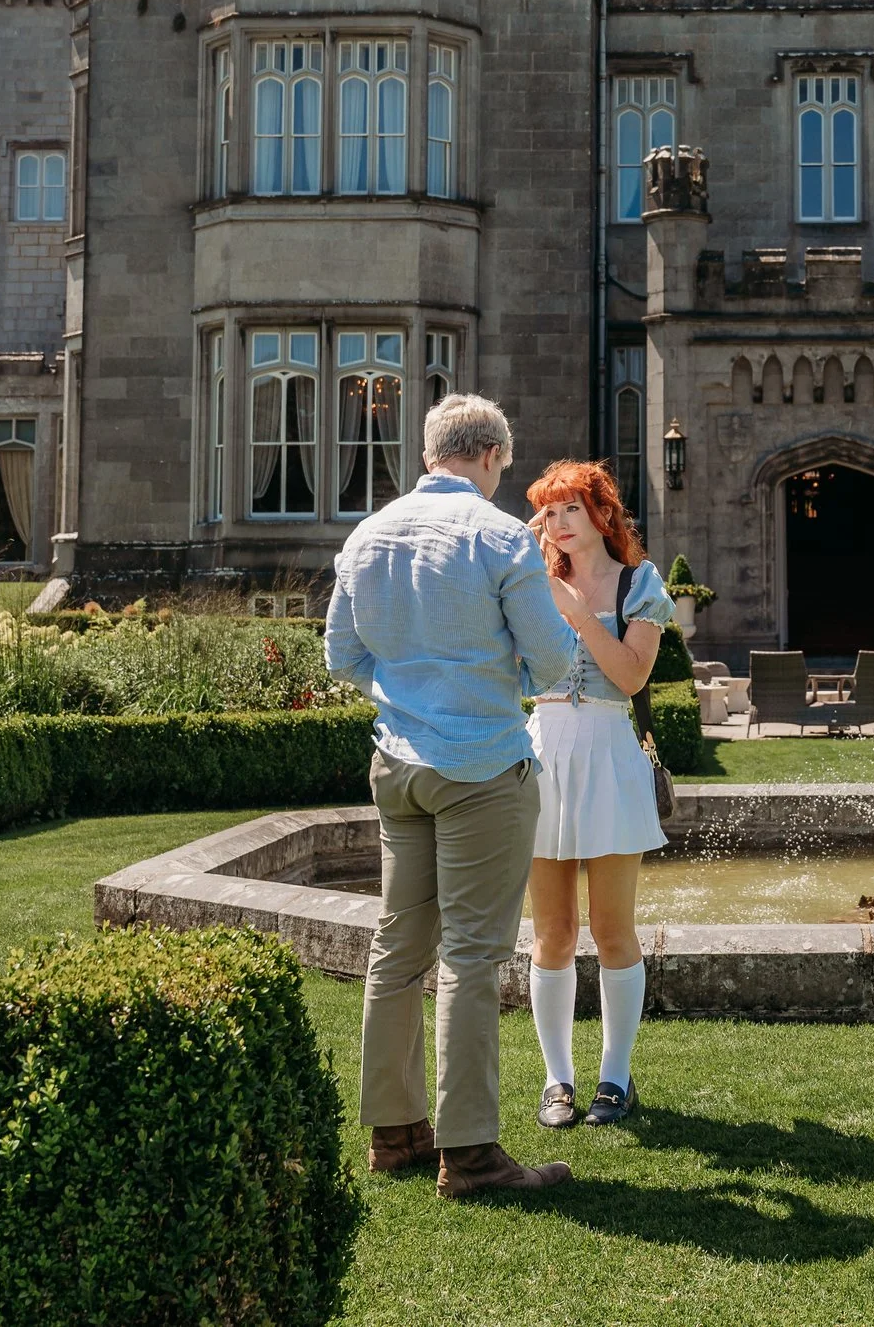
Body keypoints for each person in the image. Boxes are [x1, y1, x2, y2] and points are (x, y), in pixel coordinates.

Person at [324, 393, 577, 1199]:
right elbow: (551, 662)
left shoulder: (366, 536)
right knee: (470, 955)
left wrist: (408, 690)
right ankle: (469, 1153)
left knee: (397, 948)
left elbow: (341, 655)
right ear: (494, 456)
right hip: (480, 767)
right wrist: (486, 683)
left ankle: (394, 1132)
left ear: (432, 452)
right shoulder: (500, 536)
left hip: (398, 764)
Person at [521, 459, 673, 1131]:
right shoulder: (530, 586)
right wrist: (523, 572)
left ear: (602, 515)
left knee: (612, 929)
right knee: (552, 930)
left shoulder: (640, 583)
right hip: (543, 751)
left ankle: (615, 1074)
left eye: (570, 508)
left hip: (610, 751)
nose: (557, 521)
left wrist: (580, 614)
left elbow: (633, 675)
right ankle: (557, 1079)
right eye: (548, 510)